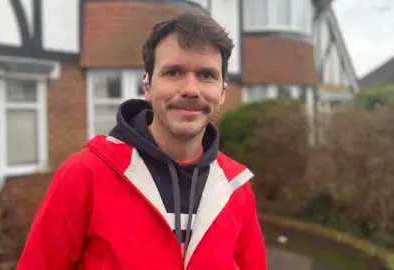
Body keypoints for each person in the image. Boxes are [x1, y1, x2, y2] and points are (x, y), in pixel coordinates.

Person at [16, 11, 267, 270]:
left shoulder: (236, 189)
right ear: (147, 86)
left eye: (206, 75)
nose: (191, 89)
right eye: (173, 72)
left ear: (223, 91)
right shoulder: (84, 175)